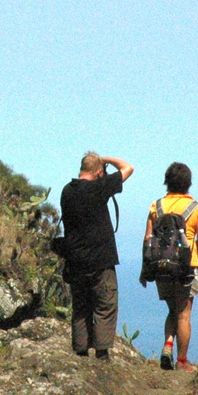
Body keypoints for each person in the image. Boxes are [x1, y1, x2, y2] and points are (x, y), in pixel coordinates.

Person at [59, 150, 134, 358]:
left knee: (81, 307)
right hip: (101, 259)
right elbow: (128, 168)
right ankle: (102, 353)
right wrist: (108, 159)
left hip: (75, 259)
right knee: (105, 305)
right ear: (99, 171)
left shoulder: (67, 191)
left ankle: (81, 352)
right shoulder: (99, 188)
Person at [145, 161, 198, 372]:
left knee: (172, 309)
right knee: (183, 314)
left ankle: (167, 345)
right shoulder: (196, 207)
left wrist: (145, 270)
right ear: (188, 183)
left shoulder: (156, 206)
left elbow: (148, 239)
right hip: (186, 267)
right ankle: (182, 361)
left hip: (160, 265)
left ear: (167, 182)